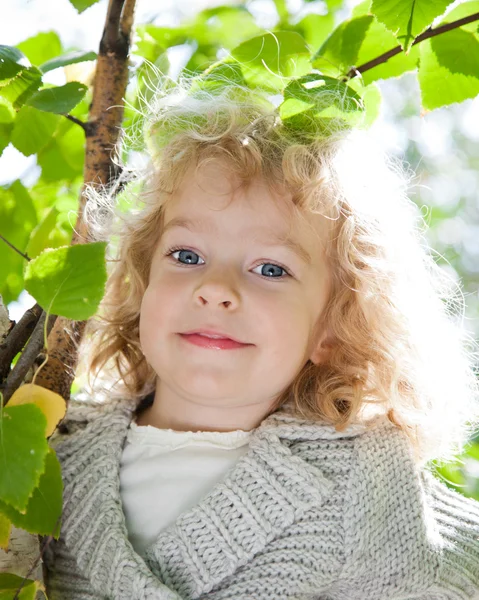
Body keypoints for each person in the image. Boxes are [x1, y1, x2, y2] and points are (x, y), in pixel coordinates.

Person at [41, 70, 479, 600]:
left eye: (270, 269)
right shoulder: (52, 445)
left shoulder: (368, 480)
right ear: (141, 281)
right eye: (186, 256)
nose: (215, 288)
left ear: (333, 328)